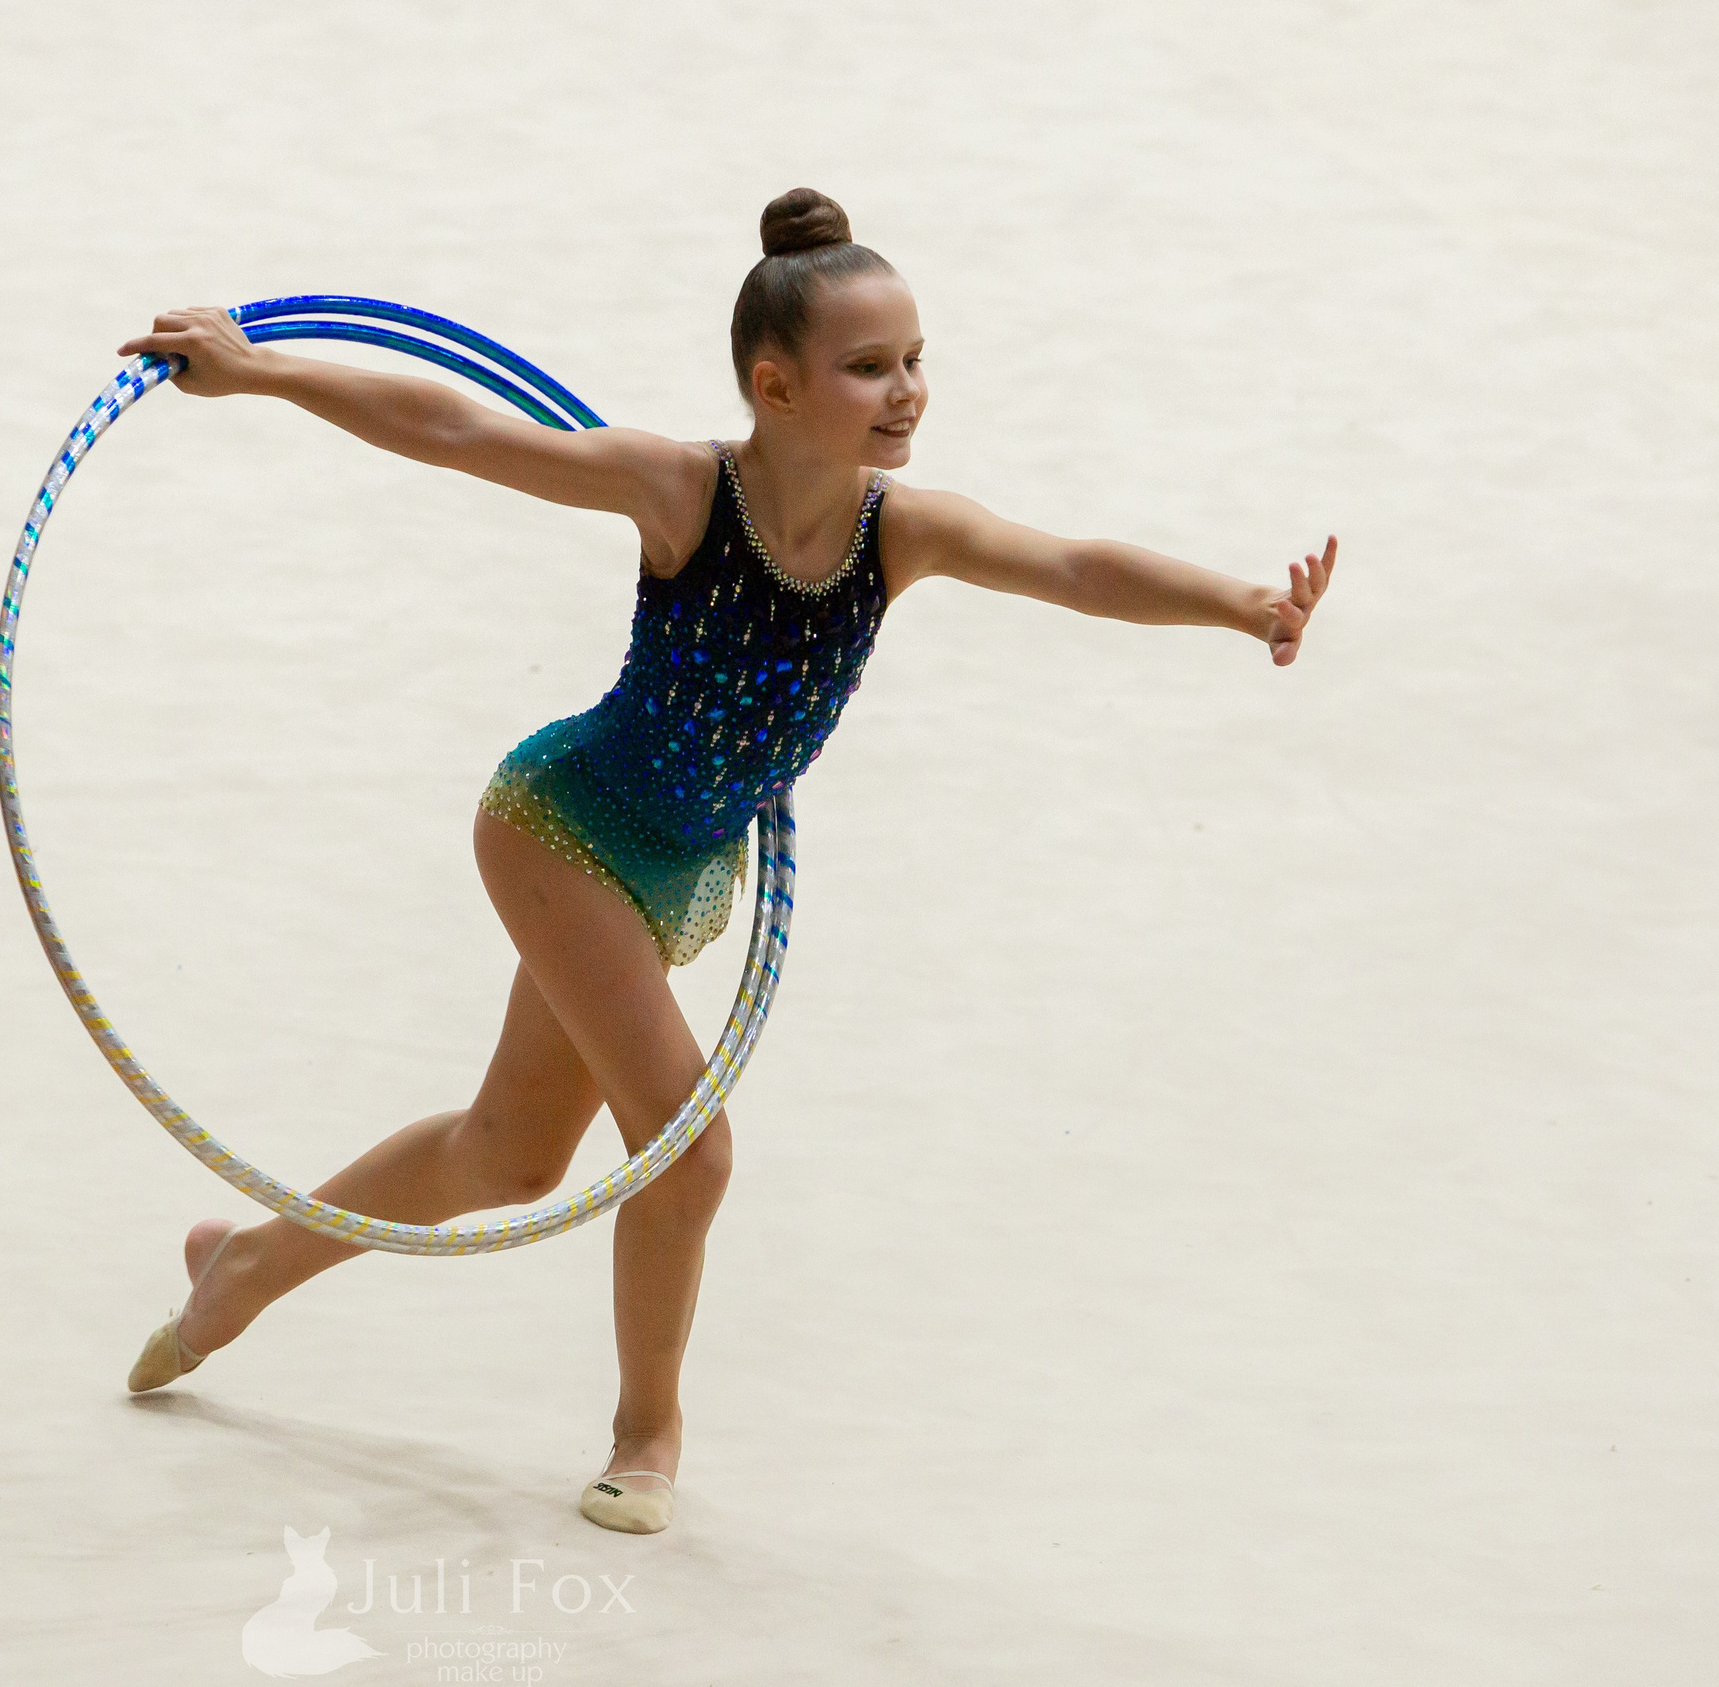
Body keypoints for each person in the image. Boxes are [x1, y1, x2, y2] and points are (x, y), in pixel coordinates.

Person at [114, 187, 1337, 1536]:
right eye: (870, 367)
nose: (907, 391)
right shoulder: (681, 490)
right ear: (776, 383)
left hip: (674, 879)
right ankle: (649, 1432)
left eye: (917, 358)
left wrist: (1243, 603)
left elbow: (1075, 566)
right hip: (558, 828)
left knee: (508, 1159)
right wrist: (255, 371)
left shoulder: (902, 533)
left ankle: (241, 1266)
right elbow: (462, 431)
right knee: (687, 1151)